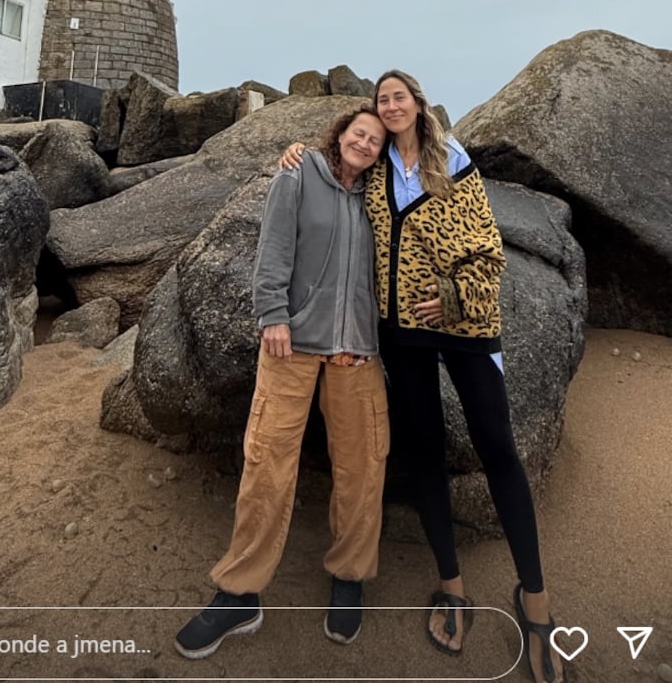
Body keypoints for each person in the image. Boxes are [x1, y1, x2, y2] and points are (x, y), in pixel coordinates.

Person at [280, 70, 564, 683]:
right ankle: (452, 586)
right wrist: (299, 149)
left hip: (464, 327)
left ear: (417, 102)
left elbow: (487, 244)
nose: (390, 105)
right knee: (424, 455)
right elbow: (338, 170)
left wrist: (455, 293)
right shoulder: (375, 169)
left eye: (398, 96)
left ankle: (535, 604)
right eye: (382, 99)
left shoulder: (452, 159)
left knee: (499, 451)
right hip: (402, 334)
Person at [174, 105, 390, 662]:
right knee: (266, 462)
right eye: (358, 132)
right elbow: (273, 249)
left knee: (362, 466)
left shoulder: (382, 198)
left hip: (356, 353)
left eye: (376, 139)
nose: (365, 143)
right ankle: (240, 592)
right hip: (290, 345)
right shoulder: (297, 175)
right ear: (340, 134)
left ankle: (349, 575)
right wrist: (272, 313)